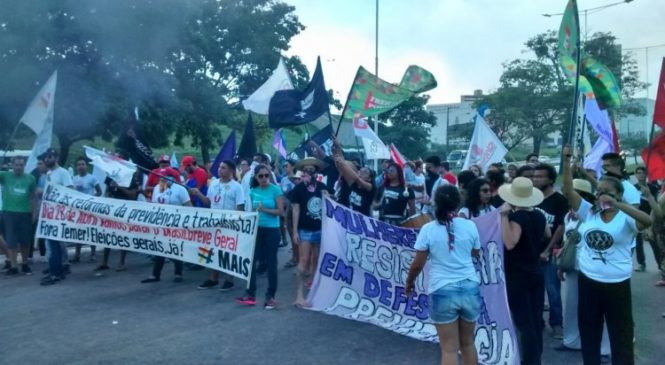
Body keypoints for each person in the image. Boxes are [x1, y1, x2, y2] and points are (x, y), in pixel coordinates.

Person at [562, 146, 651, 365]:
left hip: (617, 284)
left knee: (620, 334)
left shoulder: (625, 217)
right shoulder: (589, 212)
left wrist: (618, 204)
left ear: (619, 195)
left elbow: (647, 221)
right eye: (599, 191)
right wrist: (566, 163)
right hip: (589, 281)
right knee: (590, 330)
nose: (600, 194)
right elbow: (567, 190)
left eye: (606, 191)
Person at [406, 185, 481, 365]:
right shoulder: (470, 226)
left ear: (435, 202)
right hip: (470, 287)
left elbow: (417, 265)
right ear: (458, 202)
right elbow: (475, 253)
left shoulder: (428, 229)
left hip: (442, 289)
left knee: (449, 349)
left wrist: (409, 282)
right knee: (468, 344)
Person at [555, 179, 611, 362]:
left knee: (595, 312)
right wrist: (562, 265)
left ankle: (603, 349)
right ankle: (571, 341)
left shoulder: (594, 215)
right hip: (572, 268)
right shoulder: (567, 216)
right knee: (569, 306)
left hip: (593, 270)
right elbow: (567, 241)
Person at [499, 177, 550, 365]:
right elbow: (547, 234)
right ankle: (536, 357)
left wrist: (504, 217)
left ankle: (530, 361)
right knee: (535, 318)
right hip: (535, 270)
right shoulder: (539, 215)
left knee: (524, 321)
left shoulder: (517, 217)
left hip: (518, 275)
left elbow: (510, 242)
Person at [236, 164, 284, 309]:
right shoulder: (253, 191)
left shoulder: (276, 190)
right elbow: (250, 210)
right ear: (256, 177)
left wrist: (264, 209)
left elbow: (281, 212)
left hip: (272, 230)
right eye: (261, 176)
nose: (264, 178)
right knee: (251, 262)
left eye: (266, 175)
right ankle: (250, 294)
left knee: (271, 264)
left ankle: (270, 297)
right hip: (257, 229)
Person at [191, 160, 245, 291]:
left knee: (228, 252)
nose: (220, 170)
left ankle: (229, 279)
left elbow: (240, 208)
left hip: (229, 226)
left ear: (231, 171)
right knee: (210, 250)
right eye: (220, 167)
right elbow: (208, 202)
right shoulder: (213, 183)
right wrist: (199, 194)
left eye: (223, 167)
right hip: (213, 223)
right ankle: (213, 279)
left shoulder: (237, 187)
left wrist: (235, 223)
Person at [532, 163, 568, 340]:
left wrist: (547, 250)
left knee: (552, 290)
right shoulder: (531, 198)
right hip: (531, 253)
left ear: (551, 179)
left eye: (540, 176)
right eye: (535, 176)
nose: (536, 179)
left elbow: (560, 227)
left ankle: (556, 324)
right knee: (534, 291)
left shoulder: (559, 200)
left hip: (550, 252)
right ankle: (538, 321)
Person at [141, 169, 192, 283]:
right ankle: (155, 275)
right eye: (160, 177)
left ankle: (178, 273)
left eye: (164, 177)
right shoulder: (156, 189)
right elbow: (154, 206)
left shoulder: (181, 189)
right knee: (160, 248)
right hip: (161, 224)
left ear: (172, 178)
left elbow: (189, 207)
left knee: (174, 248)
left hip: (176, 224)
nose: (161, 179)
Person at [95, 152, 141, 274]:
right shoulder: (110, 175)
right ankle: (104, 262)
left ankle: (122, 262)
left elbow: (132, 195)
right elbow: (107, 191)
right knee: (107, 235)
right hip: (111, 210)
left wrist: (120, 187)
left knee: (122, 236)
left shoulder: (132, 175)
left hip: (124, 210)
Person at [291, 157, 327, 308]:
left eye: (311, 170)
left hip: (320, 229)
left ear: (316, 172)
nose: (308, 173)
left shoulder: (322, 186)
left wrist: (328, 198)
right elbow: (295, 209)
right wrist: (294, 231)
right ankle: (299, 296)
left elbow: (329, 206)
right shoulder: (298, 188)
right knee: (303, 262)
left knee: (316, 261)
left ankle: (313, 292)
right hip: (305, 230)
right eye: (305, 170)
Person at [40, 148, 75, 286]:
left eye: (50, 157)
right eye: (46, 157)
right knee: (52, 244)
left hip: (58, 214)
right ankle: (57, 270)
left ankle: (56, 274)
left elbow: (70, 190)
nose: (47, 159)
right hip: (49, 213)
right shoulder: (49, 173)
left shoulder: (63, 173)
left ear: (56, 158)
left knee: (54, 245)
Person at [0, 156, 36, 276]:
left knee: (25, 241)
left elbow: (33, 197)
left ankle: (25, 264)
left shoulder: (30, 178)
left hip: (25, 213)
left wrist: (34, 213)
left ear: (24, 166)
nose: (19, 167)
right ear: (12, 165)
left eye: (21, 165)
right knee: (11, 241)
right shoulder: (5, 175)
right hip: (9, 213)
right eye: (16, 165)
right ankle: (14, 266)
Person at [332, 137, 376, 216]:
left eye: (365, 172)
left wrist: (343, 163)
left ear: (370, 178)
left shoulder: (370, 187)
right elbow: (342, 166)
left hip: (361, 223)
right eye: (361, 171)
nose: (361, 172)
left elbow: (356, 178)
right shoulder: (353, 184)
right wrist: (337, 146)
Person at [72, 156, 102, 262]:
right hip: (77, 210)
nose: (81, 166)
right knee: (78, 232)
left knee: (90, 231)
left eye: (83, 164)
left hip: (89, 210)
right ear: (76, 167)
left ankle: (93, 254)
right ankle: (77, 255)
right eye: (79, 164)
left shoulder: (92, 178)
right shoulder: (73, 179)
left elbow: (99, 191)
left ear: (86, 166)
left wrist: (91, 200)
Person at [633, 166, 661, 272]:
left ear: (646, 174)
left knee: (655, 244)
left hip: (651, 219)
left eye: (642, 173)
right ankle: (641, 264)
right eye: (638, 173)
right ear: (635, 175)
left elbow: (656, 205)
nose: (641, 175)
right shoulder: (633, 189)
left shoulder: (653, 188)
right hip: (638, 220)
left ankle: (660, 265)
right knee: (638, 244)